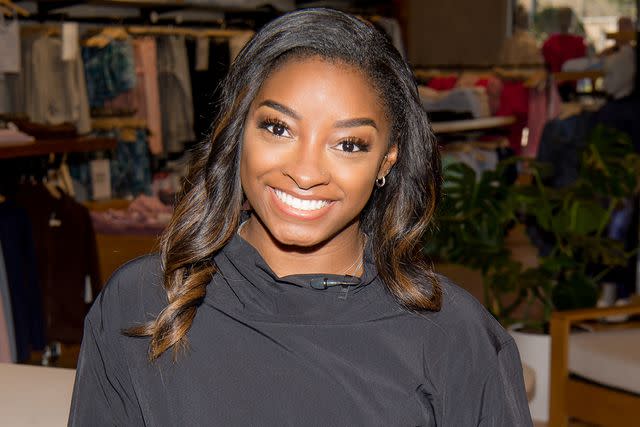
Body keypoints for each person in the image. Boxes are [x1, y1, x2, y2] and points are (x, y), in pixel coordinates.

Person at [68, 8, 532, 426]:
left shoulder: (452, 336)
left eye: (348, 144)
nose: (306, 173)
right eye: (278, 128)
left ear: (386, 161)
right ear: (239, 132)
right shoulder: (143, 304)